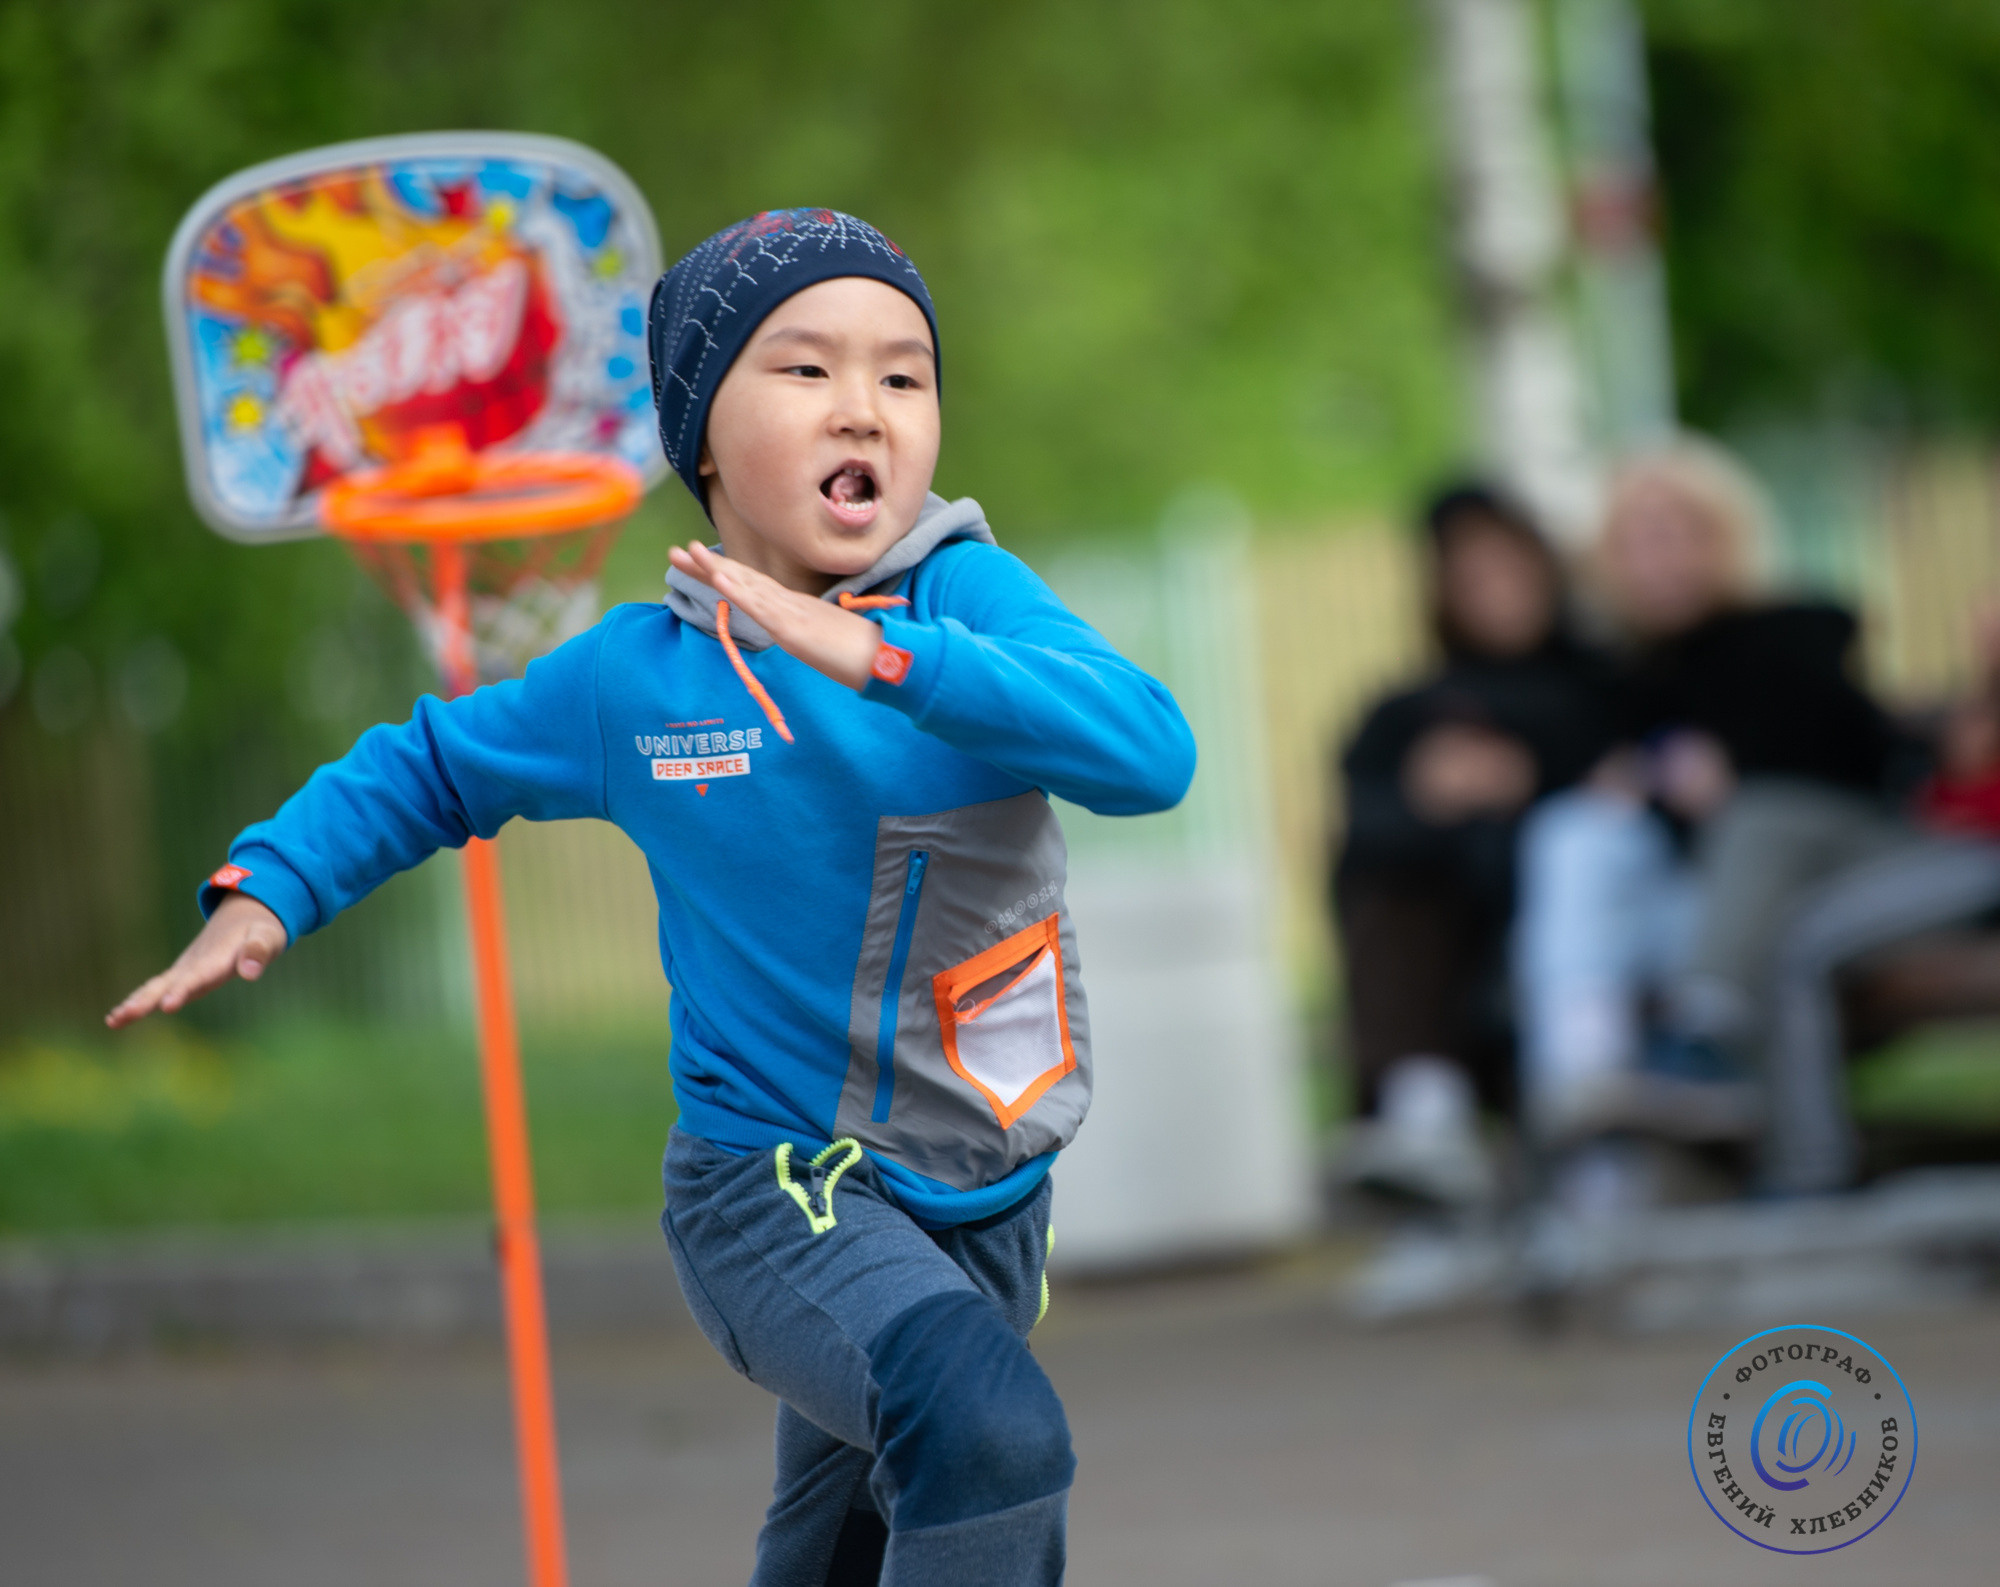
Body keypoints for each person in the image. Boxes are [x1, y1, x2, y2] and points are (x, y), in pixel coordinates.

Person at [107, 209, 1196, 1587]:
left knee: (847, 1546)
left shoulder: (968, 598)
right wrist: (270, 885)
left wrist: (878, 656)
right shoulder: (642, 682)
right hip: (775, 1184)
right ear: (701, 437)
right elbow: (432, 763)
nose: (862, 406)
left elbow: (1150, 753)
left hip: (983, 1182)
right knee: (983, 1428)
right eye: (804, 371)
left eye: (903, 375)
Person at [1514, 438, 1914, 1180]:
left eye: (1678, 530)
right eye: (1636, 537)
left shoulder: (1796, 633)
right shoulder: (1613, 683)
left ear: (1727, 536)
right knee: (1575, 833)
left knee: (1758, 816)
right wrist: (1637, 789)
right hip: (1693, 902)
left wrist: (1732, 774)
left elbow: (1855, 765)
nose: (1658, 556)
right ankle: (1585, 1087)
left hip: (1824, 875)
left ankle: (1706, 1047)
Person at [1332, 483, 1614, 1207]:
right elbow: (1358, 833)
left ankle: (1432, 1118)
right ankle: (1425, 1120)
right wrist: (1437, 802)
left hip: (1560, 925)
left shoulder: (1605, 690)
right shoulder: (1403, 716)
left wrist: (1532, 780)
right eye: (1473, 574)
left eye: (1509, 567)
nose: (1496, 590)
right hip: (1445, 933)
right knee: (1392, 884)